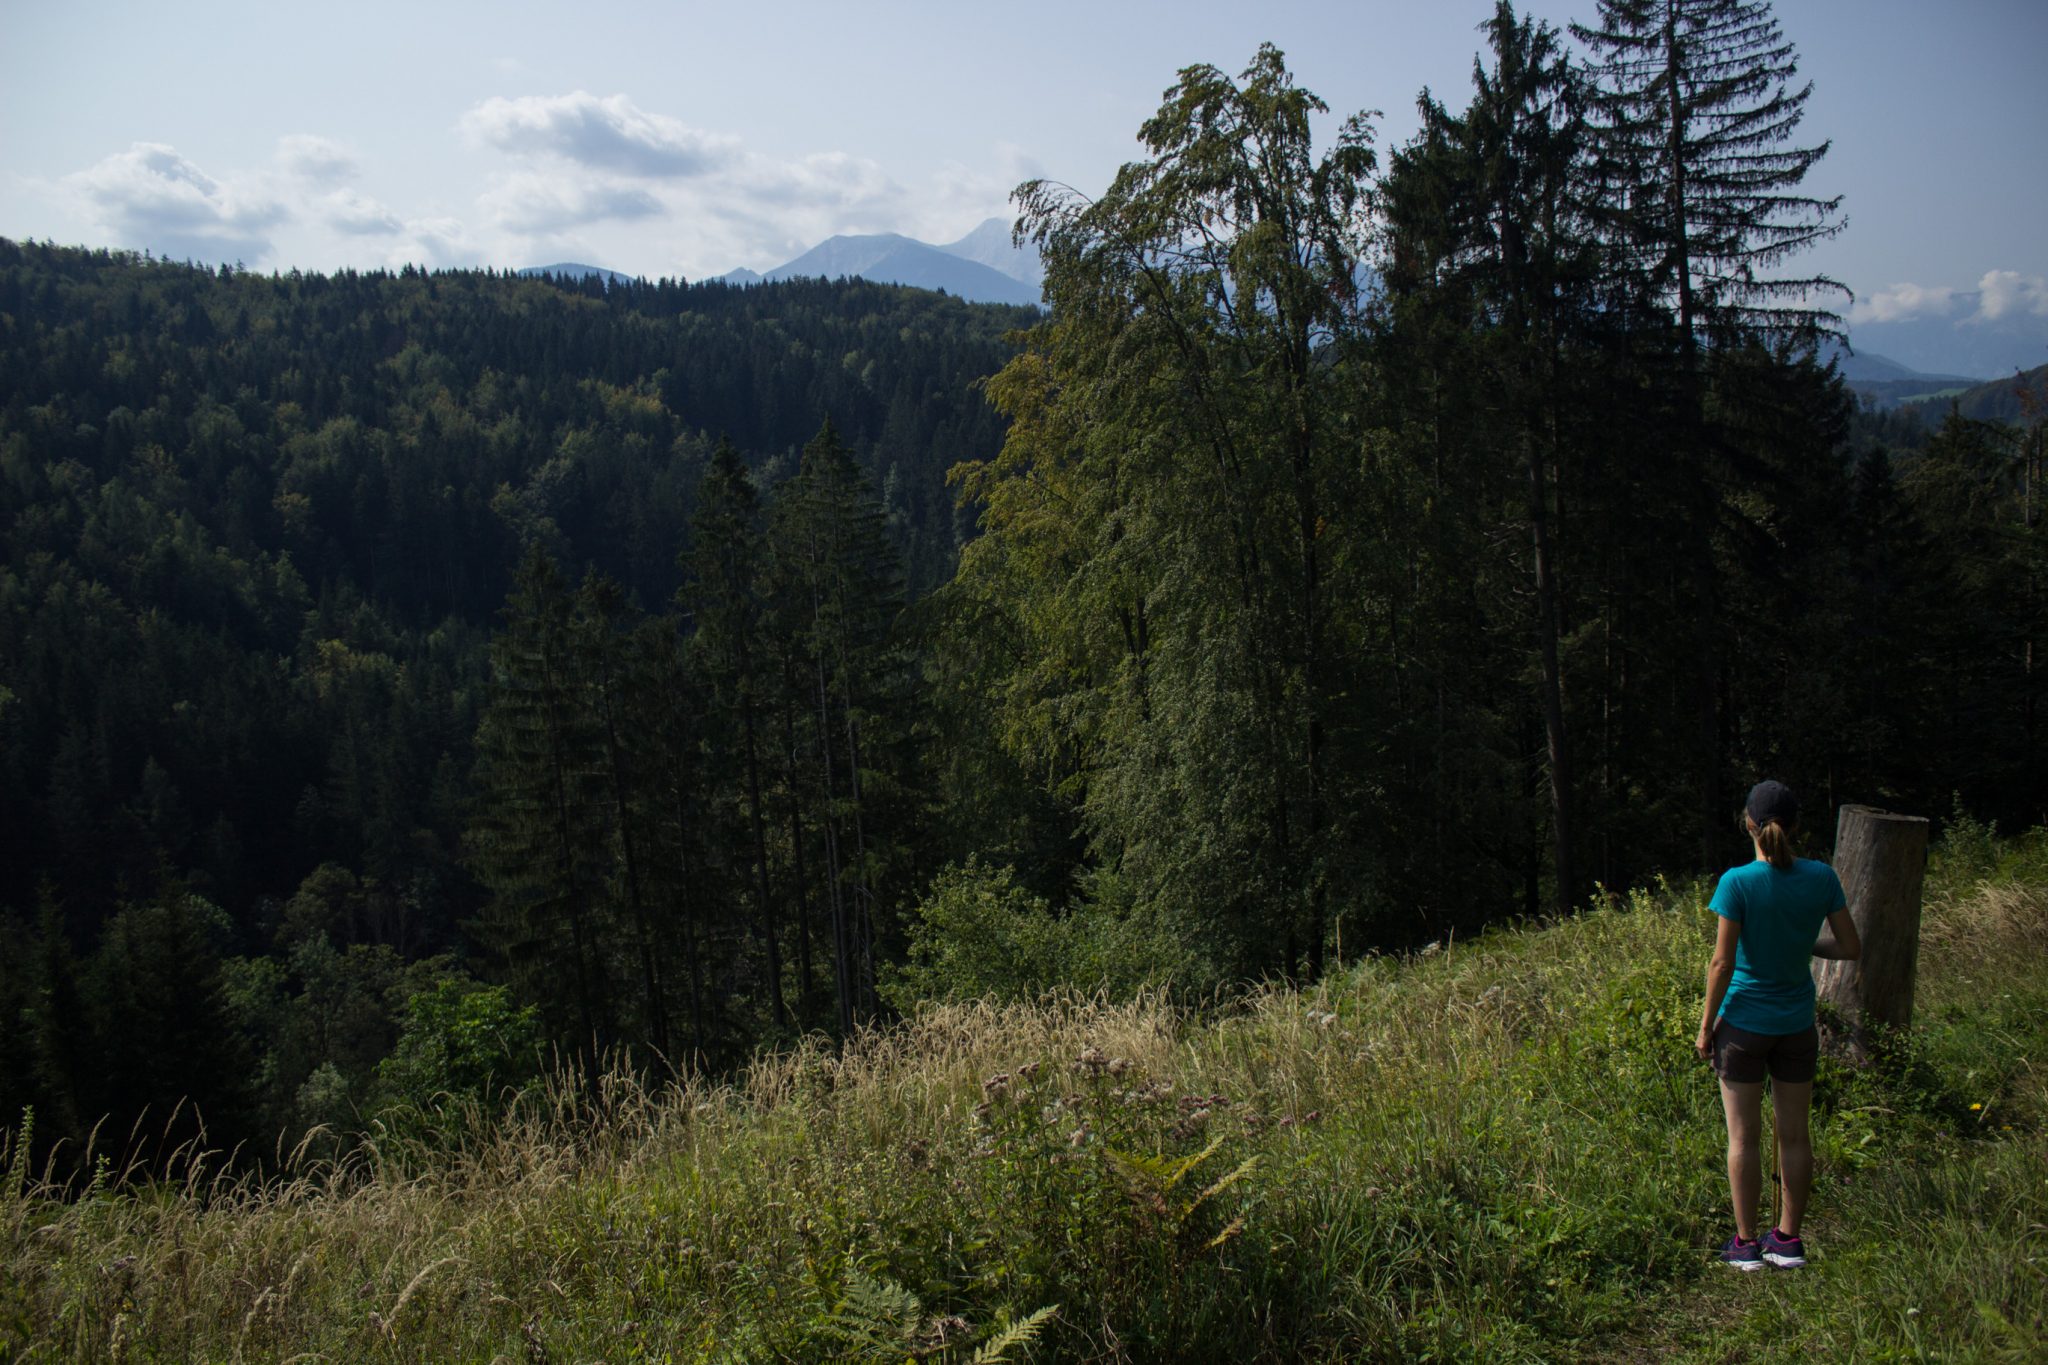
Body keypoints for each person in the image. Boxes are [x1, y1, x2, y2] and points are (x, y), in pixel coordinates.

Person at [1695, 779, 1862, 1271]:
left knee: (1742, 1139)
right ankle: (1787, 1240)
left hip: (1743, 1025)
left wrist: (1706, 1027)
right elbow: (1851, 948)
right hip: (1795, 1025)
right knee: (1795, 1135)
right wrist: (1803, 944)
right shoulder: (1822, 878)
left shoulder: (1737, 882)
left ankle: (1745, 1244)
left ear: (1749, 824)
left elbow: (1722, 964)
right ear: (1797, 825)